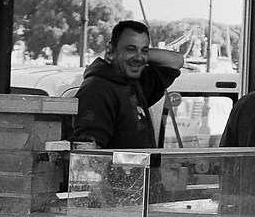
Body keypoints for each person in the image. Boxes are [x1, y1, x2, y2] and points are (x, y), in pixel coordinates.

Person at [70, 20, 179, 151]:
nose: (139, 58)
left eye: (144, 50)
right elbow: (87, 153)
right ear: (110, 49)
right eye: (130, 49)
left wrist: (138, 55)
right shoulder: (97, 89)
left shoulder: (135, 81)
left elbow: (176, 61)